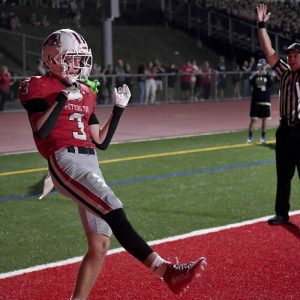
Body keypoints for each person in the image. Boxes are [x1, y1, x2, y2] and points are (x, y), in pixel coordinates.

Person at [18, 29, 207, 300]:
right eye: (71, 58)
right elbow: (41, 130)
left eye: (80, 59)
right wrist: (62, 98)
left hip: (90, 161)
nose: (77, 65)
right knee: (112, 206)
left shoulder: (84, 91)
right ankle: (166, 272)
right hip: (64, 159)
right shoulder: (38, 85)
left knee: (100, 243)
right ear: (52, 59)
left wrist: (118, 108)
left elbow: (100, 141)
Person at [256, 3, 300, 225]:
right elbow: (269, 51)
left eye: (295, 55)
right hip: (285, 131)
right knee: (283, 175)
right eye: (290, 55)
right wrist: (262, 25)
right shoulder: (284, 73)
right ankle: (282, 213)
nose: (291, 59)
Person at [247, 59, 272, 143]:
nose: (261, 68)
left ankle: (263, 136)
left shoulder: (268, 75)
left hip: (265, 100)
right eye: (260, 66)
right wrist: (257, 74)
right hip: (256, 101)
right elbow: (250, 82)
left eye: (262, 66)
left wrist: (266, 74)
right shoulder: (255, 75)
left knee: (264, 120)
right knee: (253, 120)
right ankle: (250, 136)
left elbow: (271, 84)